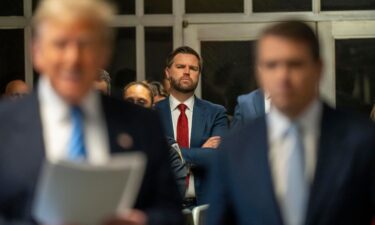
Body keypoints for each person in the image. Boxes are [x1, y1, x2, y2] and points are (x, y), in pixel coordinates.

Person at [0, 0, 183, 225]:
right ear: (37, 51)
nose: (73, 59)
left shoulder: (142, 123)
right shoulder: (4, 125)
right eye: (60, 44)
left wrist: (142, 221)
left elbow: (171, 212)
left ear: (105, 53)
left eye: (86, 45)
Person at [207, 21, 375, 225]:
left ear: (318, 68)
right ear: (260, 72)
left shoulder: (361, 141)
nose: (282, 76)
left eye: (295, 64)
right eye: (271, 65)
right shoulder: (234, 148)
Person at [155, 46, 228, 208]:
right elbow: (153, 159)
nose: (187, 72)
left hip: (205, 206)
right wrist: (201, 151)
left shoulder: (216, 113)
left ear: (198, 75)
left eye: (193, 68)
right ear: (167, 72)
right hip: (164, 205)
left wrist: (172, 151)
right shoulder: (151, 114)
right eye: (180, 67)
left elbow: (216, 157)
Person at [123, 81, 188, 196]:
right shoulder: (106, 141)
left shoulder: (167, 148)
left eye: (141, 102)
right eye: (129, 101)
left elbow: (177, 191)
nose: (134, 106)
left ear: (152, 108)